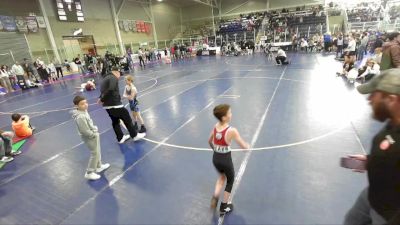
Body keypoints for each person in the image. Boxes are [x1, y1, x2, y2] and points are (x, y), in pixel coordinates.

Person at [343, 69, 400, 225]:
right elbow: (390, 154)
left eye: (374, 94)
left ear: (392, 99)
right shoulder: (393, 122)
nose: (369, 99)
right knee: (351, 220)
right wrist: (370, 161)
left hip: (388, 213)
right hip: (372, 195)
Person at [208, 104, 249, 214]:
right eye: (229, 113)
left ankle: (215, 198)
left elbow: (209, 141)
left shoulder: (215, 127)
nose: (231, 114)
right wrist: (248, 147)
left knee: (222, 177)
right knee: (230, 181)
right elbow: (244, 146)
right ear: (224, 117)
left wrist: (216, 150)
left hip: (216, 159)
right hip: (225, 160)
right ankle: (224, 206)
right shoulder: (232, 131)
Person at [98, 66, 146, 144]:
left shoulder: (105, 78)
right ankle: (134, 135)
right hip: (115, 104)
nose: (119, 76)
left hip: (107, 106)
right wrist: (102, 99)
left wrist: (101, 98)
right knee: (127, 118)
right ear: (116, 72)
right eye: (119, 74)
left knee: (115, 121)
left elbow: (104, 90)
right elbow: (111, 89)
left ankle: (120, 138)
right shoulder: (113, 78)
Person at [72, 95, 110, 180]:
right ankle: (89, 172)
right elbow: (84, 131)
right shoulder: (80, 117)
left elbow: (89, 123)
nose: (85, 105)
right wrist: (93, 134)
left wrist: (94, 129)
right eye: (82, 104)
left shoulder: (84, 111)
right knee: (94, 153)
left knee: (97, 151)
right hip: (89, 137)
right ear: (76, 106)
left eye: (86, 102)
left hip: (93, 134)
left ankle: (99, 166)